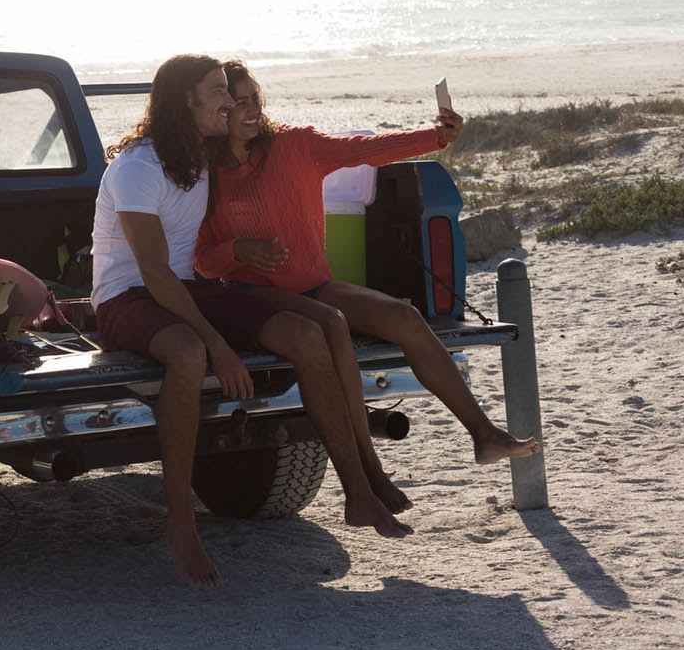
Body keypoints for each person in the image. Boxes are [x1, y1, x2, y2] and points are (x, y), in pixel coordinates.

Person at [92, 54, 412, 587]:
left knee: (312, 328)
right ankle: (180, 521)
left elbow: (269, 156)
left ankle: (358, 491)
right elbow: (155, 276)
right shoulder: (136, 169)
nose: (230, 101)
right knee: (189, 353)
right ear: (185, 101)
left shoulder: (201, 156)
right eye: (218, 92)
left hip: (188, 289)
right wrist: (219, 346)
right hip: (128, 297)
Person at [196, 60, 540, 496]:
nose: (249, 112)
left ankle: (484, 435)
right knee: (327, 326)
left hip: (314, 286)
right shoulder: (205, 175)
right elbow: (204, 261)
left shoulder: (296, 145)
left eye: (254, 101)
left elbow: (367, 149)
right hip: (254, 301)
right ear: (218, 110)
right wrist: (238, 252)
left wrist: (436, 138)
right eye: (236, 104)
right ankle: (366, 476)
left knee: (404, 316)